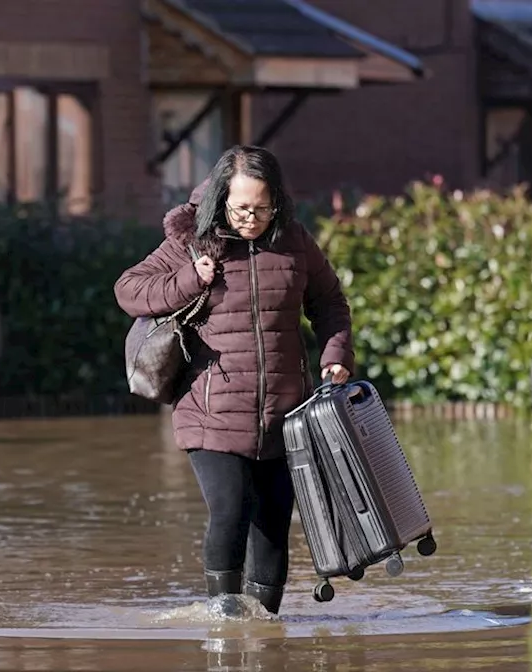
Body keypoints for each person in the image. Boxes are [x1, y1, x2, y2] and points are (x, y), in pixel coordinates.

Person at [114, 145, 354, 615]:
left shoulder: (295, 242)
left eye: (264, 207)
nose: (252, 217)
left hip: (286, 415)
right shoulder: (192, 242)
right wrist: (189, 279)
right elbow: (129, 289)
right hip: (211, 410)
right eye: (243, 207)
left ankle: (265, 633)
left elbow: (330, 304)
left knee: (272, 523)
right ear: (222, 198)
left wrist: (336, 354)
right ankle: (224, 628)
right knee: (231, 510)